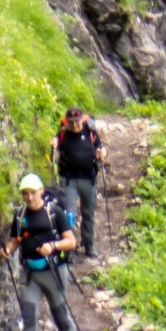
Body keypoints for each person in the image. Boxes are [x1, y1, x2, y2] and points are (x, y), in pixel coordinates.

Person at [1, 172, 84, 331]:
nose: (29, 197)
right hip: (30, 274)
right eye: (25, 193)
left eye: (32, 193)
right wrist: (7, 250)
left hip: (53, 272)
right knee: (29, 318)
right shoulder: (20, 215)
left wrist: (53, 246)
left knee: (60, 315)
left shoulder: (55, 213)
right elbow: (15, 239)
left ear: (41, 191)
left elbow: (71, 241)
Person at [54, 107, 102, 258]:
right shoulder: (62, 134)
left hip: (88, 178)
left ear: (82, 119)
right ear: (67, 122)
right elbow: (55, 154)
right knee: (69, 215)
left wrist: (101, 153)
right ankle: (69, 248)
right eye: (70, 122)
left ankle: (89, 245)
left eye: (76, 121)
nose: (74, 125)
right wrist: (53, 147)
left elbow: (100, 147)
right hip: (69, 180)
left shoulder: (91, 133)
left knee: (88, 213)